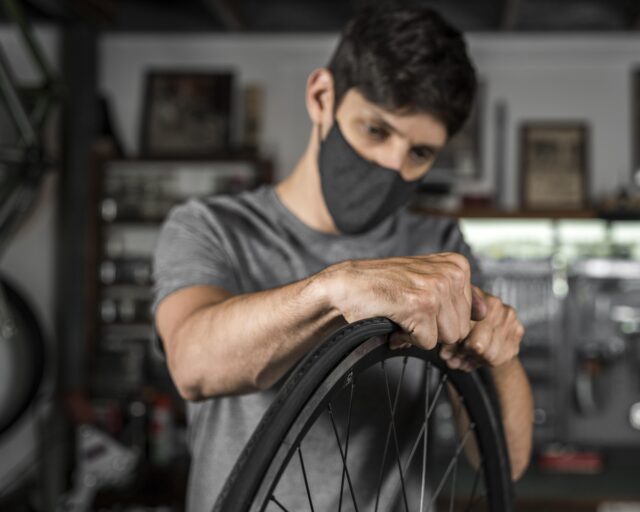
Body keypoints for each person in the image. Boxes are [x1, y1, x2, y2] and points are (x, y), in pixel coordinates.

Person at [153, 6, 533, 511]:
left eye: (419, 153)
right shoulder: (212, 228)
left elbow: (505, 462)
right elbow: (192, 365)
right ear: (322, 97)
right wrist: (339, 288)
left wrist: (503, 361)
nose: (392, 166)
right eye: (376, 131)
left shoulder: (441, 246)